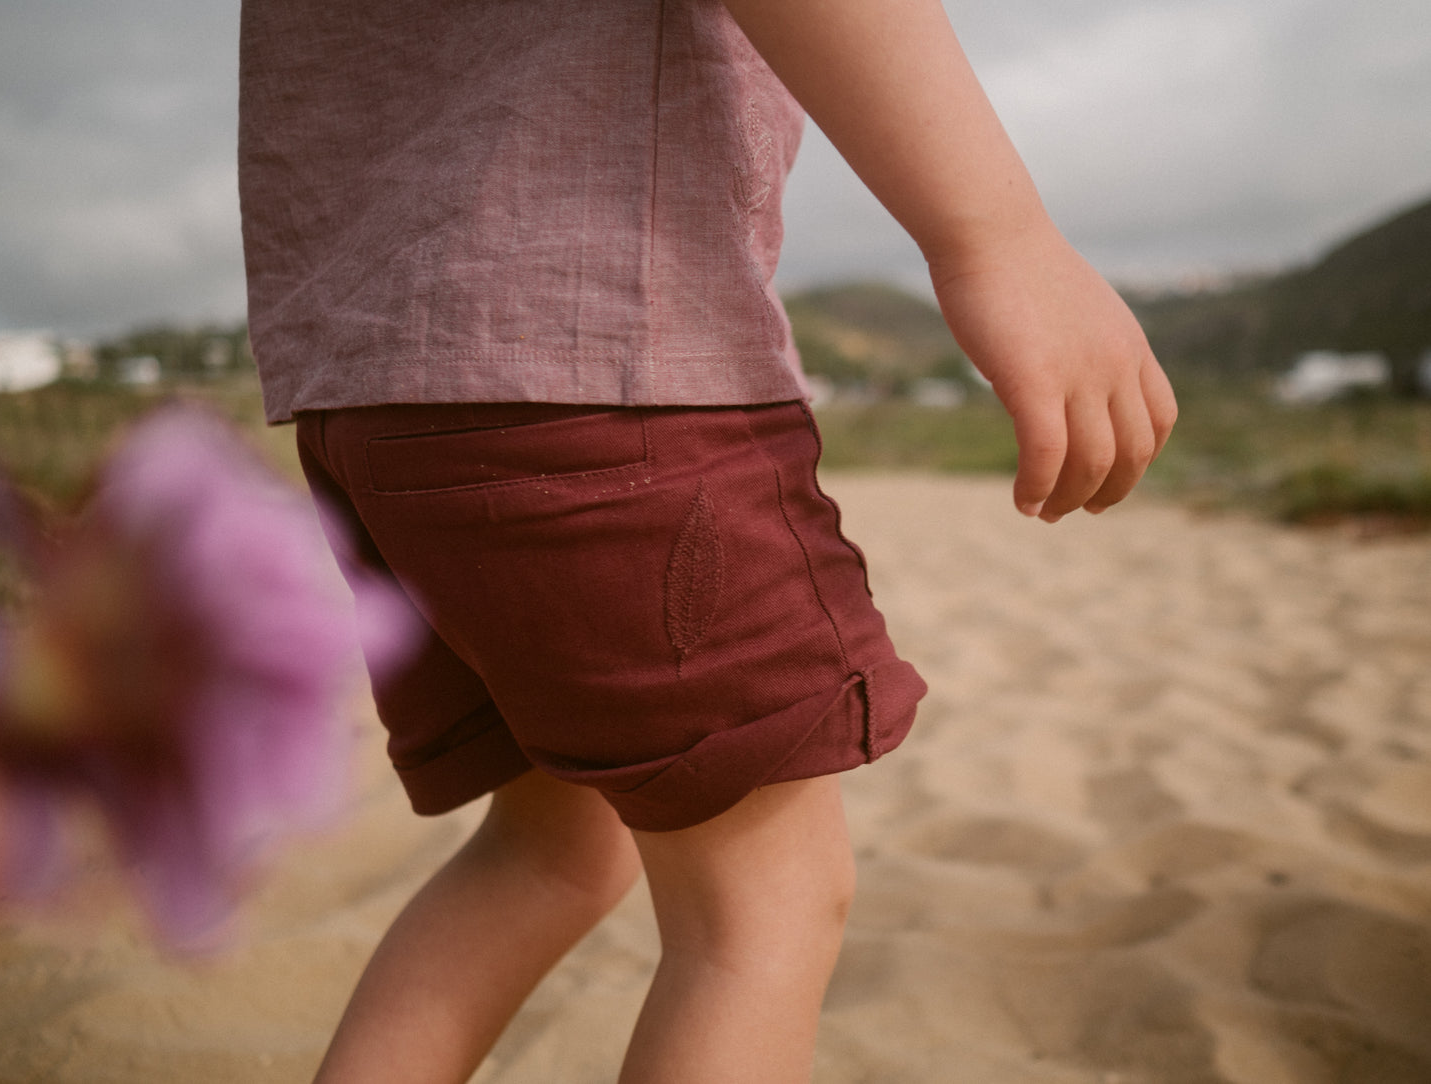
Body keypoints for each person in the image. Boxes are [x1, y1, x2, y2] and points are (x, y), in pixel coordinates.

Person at [237, 0, 1177, 1080]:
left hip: (367, 400)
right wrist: (997, 236)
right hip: (608, 368)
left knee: (549, 849)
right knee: (758, 912)